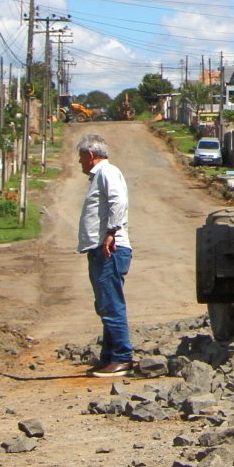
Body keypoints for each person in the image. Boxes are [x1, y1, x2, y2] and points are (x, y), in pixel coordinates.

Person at [76, 134, 134, 377]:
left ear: (90, 156)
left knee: (111, 304)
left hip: (109, 248)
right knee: (105, 304)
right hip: (101, 248)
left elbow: (117, 201)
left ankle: (122, 357)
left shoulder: (107, 172)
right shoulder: (100, 175)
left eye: (81, 158)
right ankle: (109, 356)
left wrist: (111, 232)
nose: (80, 163)